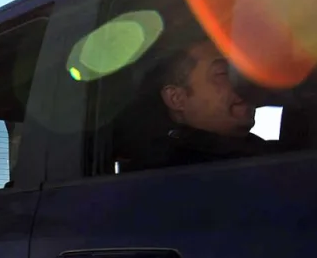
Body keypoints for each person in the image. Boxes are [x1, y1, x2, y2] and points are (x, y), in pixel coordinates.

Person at [121, 38, 282, 171]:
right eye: (222, 73)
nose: (242, 83)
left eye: (240, 73)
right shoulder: (166, 176)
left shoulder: (275, 155)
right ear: (177, 98)